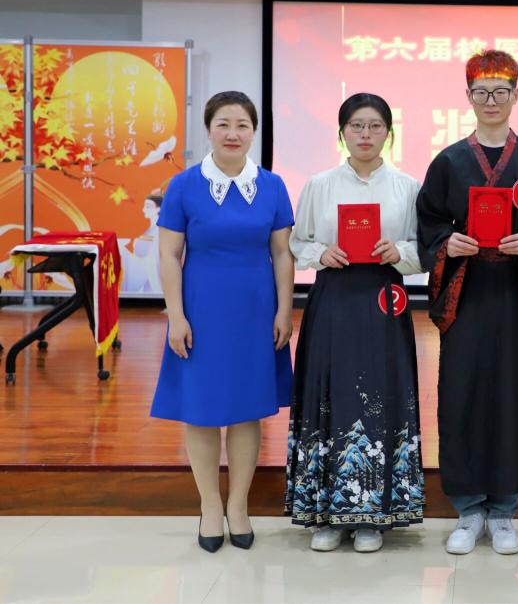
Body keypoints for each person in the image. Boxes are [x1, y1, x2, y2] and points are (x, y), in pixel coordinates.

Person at [416, 50, 518, 556]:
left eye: (500, 92)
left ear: (516, 96)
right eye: (481, 92)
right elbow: (428, 222)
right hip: (466, 298)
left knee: (515, 395)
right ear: (468, 97)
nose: (491, 101)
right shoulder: (449, 161)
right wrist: (448, 243)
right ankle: (467, 509)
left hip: (517, 296)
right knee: (460, 394)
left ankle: (504, 510)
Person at [151, 91, 295, 553]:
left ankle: (239, 505)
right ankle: (209, 505)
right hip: (201, 311)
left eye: (242, 125)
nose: (233, 134)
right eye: (223, 124)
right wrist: (176, 315)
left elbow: (282, 253)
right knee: (202, 409)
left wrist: (284, 310)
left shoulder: (271, 185)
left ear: (254, 132)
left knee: (247, 410)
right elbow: (169, 254)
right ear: (208, 130)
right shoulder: (184, 185)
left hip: (255, 311)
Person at [285, 93, 424, 554]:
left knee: (382, 392)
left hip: (385, 298)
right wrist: (320, 253)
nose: (366, 134)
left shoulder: (407, 186)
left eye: (375, 126)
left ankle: (373, 518)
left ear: (389, 133)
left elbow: (424, 247)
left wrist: (399, 252)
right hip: (334, 297)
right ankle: (326, 515)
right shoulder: (320, 184)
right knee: (330, 392)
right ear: (342, 132)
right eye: (357, 126)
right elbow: (297, 241)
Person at [119, 194, 163, 293]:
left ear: (158, 209)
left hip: (150, 274)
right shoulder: (150, 230)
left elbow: (153, 258)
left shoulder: (159, 230)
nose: (144, 210)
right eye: (144, 206)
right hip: (143, 270)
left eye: (148, 206)